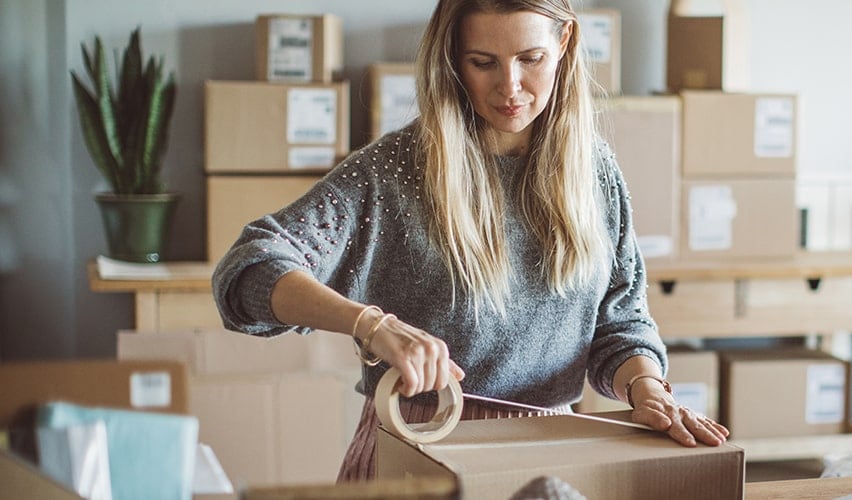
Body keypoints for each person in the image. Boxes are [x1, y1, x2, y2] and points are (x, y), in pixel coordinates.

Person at [211, 0, 729, 482]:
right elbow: (248, 270)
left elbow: (621, 321)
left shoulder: (594, 173)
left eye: (531, 58)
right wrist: (371, 324)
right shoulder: (395, 172)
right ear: (453, 60)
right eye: (483, 62)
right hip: (417, 452)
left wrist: (646, 387)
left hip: (552, 455)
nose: (511, 87)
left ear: (566, 41)